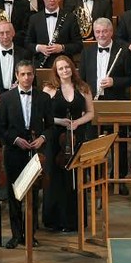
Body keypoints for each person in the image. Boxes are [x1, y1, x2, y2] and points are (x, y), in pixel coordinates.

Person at [0, 61, 53, 249]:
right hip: (14, 152)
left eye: (29, 74)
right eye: (23, 74)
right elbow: (1, 128)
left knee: (34, 194)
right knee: (14, 194)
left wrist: (42, 138)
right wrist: (15, 140)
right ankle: (16, 235)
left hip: (36, 153)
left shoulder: (44, 98)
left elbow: (51, 127)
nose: (27, 77)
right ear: (17, 75)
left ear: (34, 75)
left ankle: (30, 234)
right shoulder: (6, 98)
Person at [41, 56, 94, 232]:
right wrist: (59, 121)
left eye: (67, 67)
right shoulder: (49, 89)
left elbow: (90, 113)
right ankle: (54, 221)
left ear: (72, 68)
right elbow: (44, 116)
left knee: (74, 178)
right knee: (55, 178)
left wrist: (77, 122)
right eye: (61, 68)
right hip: (55, 139)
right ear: (56, 71)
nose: (65, 71)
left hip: (75, 137)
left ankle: (74, 221)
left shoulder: (83, 87)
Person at [25, 0, 83, 68]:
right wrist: (39, 47)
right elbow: (27, 43)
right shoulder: (34, 18)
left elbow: (78, 45)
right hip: (41, 66)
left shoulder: (70, 18)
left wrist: (62, 48)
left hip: (64, 66)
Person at [81, 17, 131, 101]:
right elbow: (81, 79)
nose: (101, 35)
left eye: (104, 31)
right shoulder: (87, 52)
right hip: (92, 100)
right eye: (97, 32)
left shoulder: (123, 51)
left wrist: (114, 81)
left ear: (111, 32)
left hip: (116, 101)